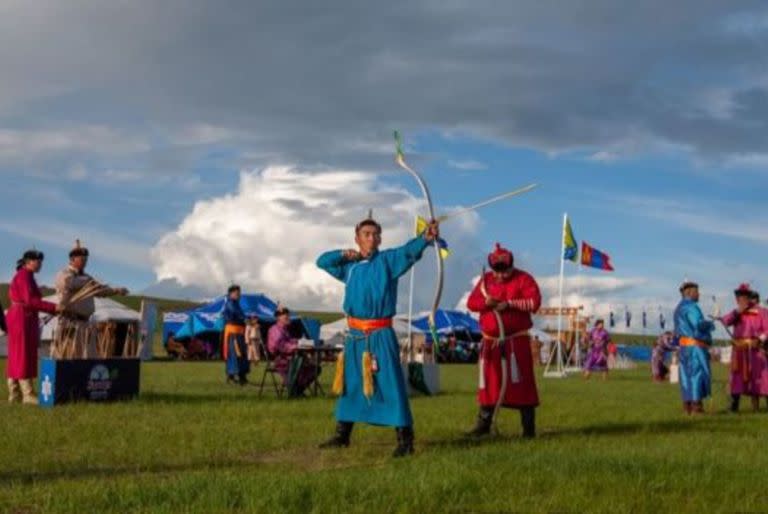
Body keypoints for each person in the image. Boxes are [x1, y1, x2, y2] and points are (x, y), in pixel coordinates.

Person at [316, 212, 439, 457]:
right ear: (357, 238)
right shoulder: (348, 267)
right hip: (354, 336)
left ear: (380, 239)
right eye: (366, 234)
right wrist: (343, 253)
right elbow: (322, 261)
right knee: (351, 384)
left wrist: (424, 238)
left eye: (375, 235)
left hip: (380, 334)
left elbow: (407, 251)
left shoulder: (388, 261)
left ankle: (405, 439)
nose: (372, 239)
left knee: (390, 383)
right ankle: (342, 435)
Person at [465, 243, 541, 438]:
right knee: (489, 384)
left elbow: (534, 302)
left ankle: (528, 428)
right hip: (491, 343)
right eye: (496, 272)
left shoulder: (524, 279)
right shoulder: (485, 281)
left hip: (516, 342)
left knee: (522, 384)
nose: (499, 276)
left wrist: (509, 305)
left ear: (511, 266)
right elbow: (471, 303)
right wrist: (485, 303)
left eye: (504, 272)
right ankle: (484, 424)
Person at [52, 240, 128, 359]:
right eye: (82, 260)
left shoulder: (87, 277)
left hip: (85, 323)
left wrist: (116, 290)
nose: (85, 262)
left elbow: (99, 290)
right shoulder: (64, 274)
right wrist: (88, 282)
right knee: (71, 357)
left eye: (86, 260)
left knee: (89, 358)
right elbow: (68, 283)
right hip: (70, 321)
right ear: (72, 260)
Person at [6, 250, 60, 404]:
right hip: (21, 318)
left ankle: (14, 393)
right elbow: (30, 301)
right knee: (22, 354)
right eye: (38, 261)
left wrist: (52, 309)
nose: (41, 264)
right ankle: (27, 394)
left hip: (24, 317)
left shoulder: (27, 276)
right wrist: (54, 308)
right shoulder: (24, 276)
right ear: (28, 261)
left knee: (18, 354)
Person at [720, 284, 768, 412]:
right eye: (739, 298)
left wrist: (759, 340)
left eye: (744, 297)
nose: (741, 300)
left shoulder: (762, 312)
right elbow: (725, 321)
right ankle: (733, 407)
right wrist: (737, 312)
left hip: (755, 349)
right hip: (739, 351)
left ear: (748, 298)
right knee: (736, 378)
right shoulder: (736, 313)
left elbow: (767, 329)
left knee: (762, 377)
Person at [673, 280, 715, 415]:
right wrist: (710, 324)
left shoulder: (678, 308)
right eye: (697, 291)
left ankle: (687, 406)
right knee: (697, 374)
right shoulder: (692, 307)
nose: (699, 294)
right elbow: (698, 326)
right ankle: (697, 406)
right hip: (695, 347)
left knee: (686, 376)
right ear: (689, 292)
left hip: (684, 347)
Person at [267, 306, 318, 396]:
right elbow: (279, 345)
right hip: (282, 360)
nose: (288, 318)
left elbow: (289, 341)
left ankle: (297, 391)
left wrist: (301, 342)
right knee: (306, 366)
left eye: (288, 316)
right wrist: (296, 346)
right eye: (285, 316)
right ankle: (295, 391)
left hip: (290, 359)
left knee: (315, 368)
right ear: (279, 318)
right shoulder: (275, 330)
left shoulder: (284, 329)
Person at [222, 285, 250, 385]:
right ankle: (233, 375)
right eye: (237, 293)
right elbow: (236, 313)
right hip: (233, 333)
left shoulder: (236, 303)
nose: (239, 295)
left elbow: (240, 314)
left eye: (239, 293)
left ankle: (241, 375)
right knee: (235, 354)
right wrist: (245, 319)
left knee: (242, 353)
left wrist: (247, 319)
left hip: (239, 332)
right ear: (231, 294)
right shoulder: (230, 303)